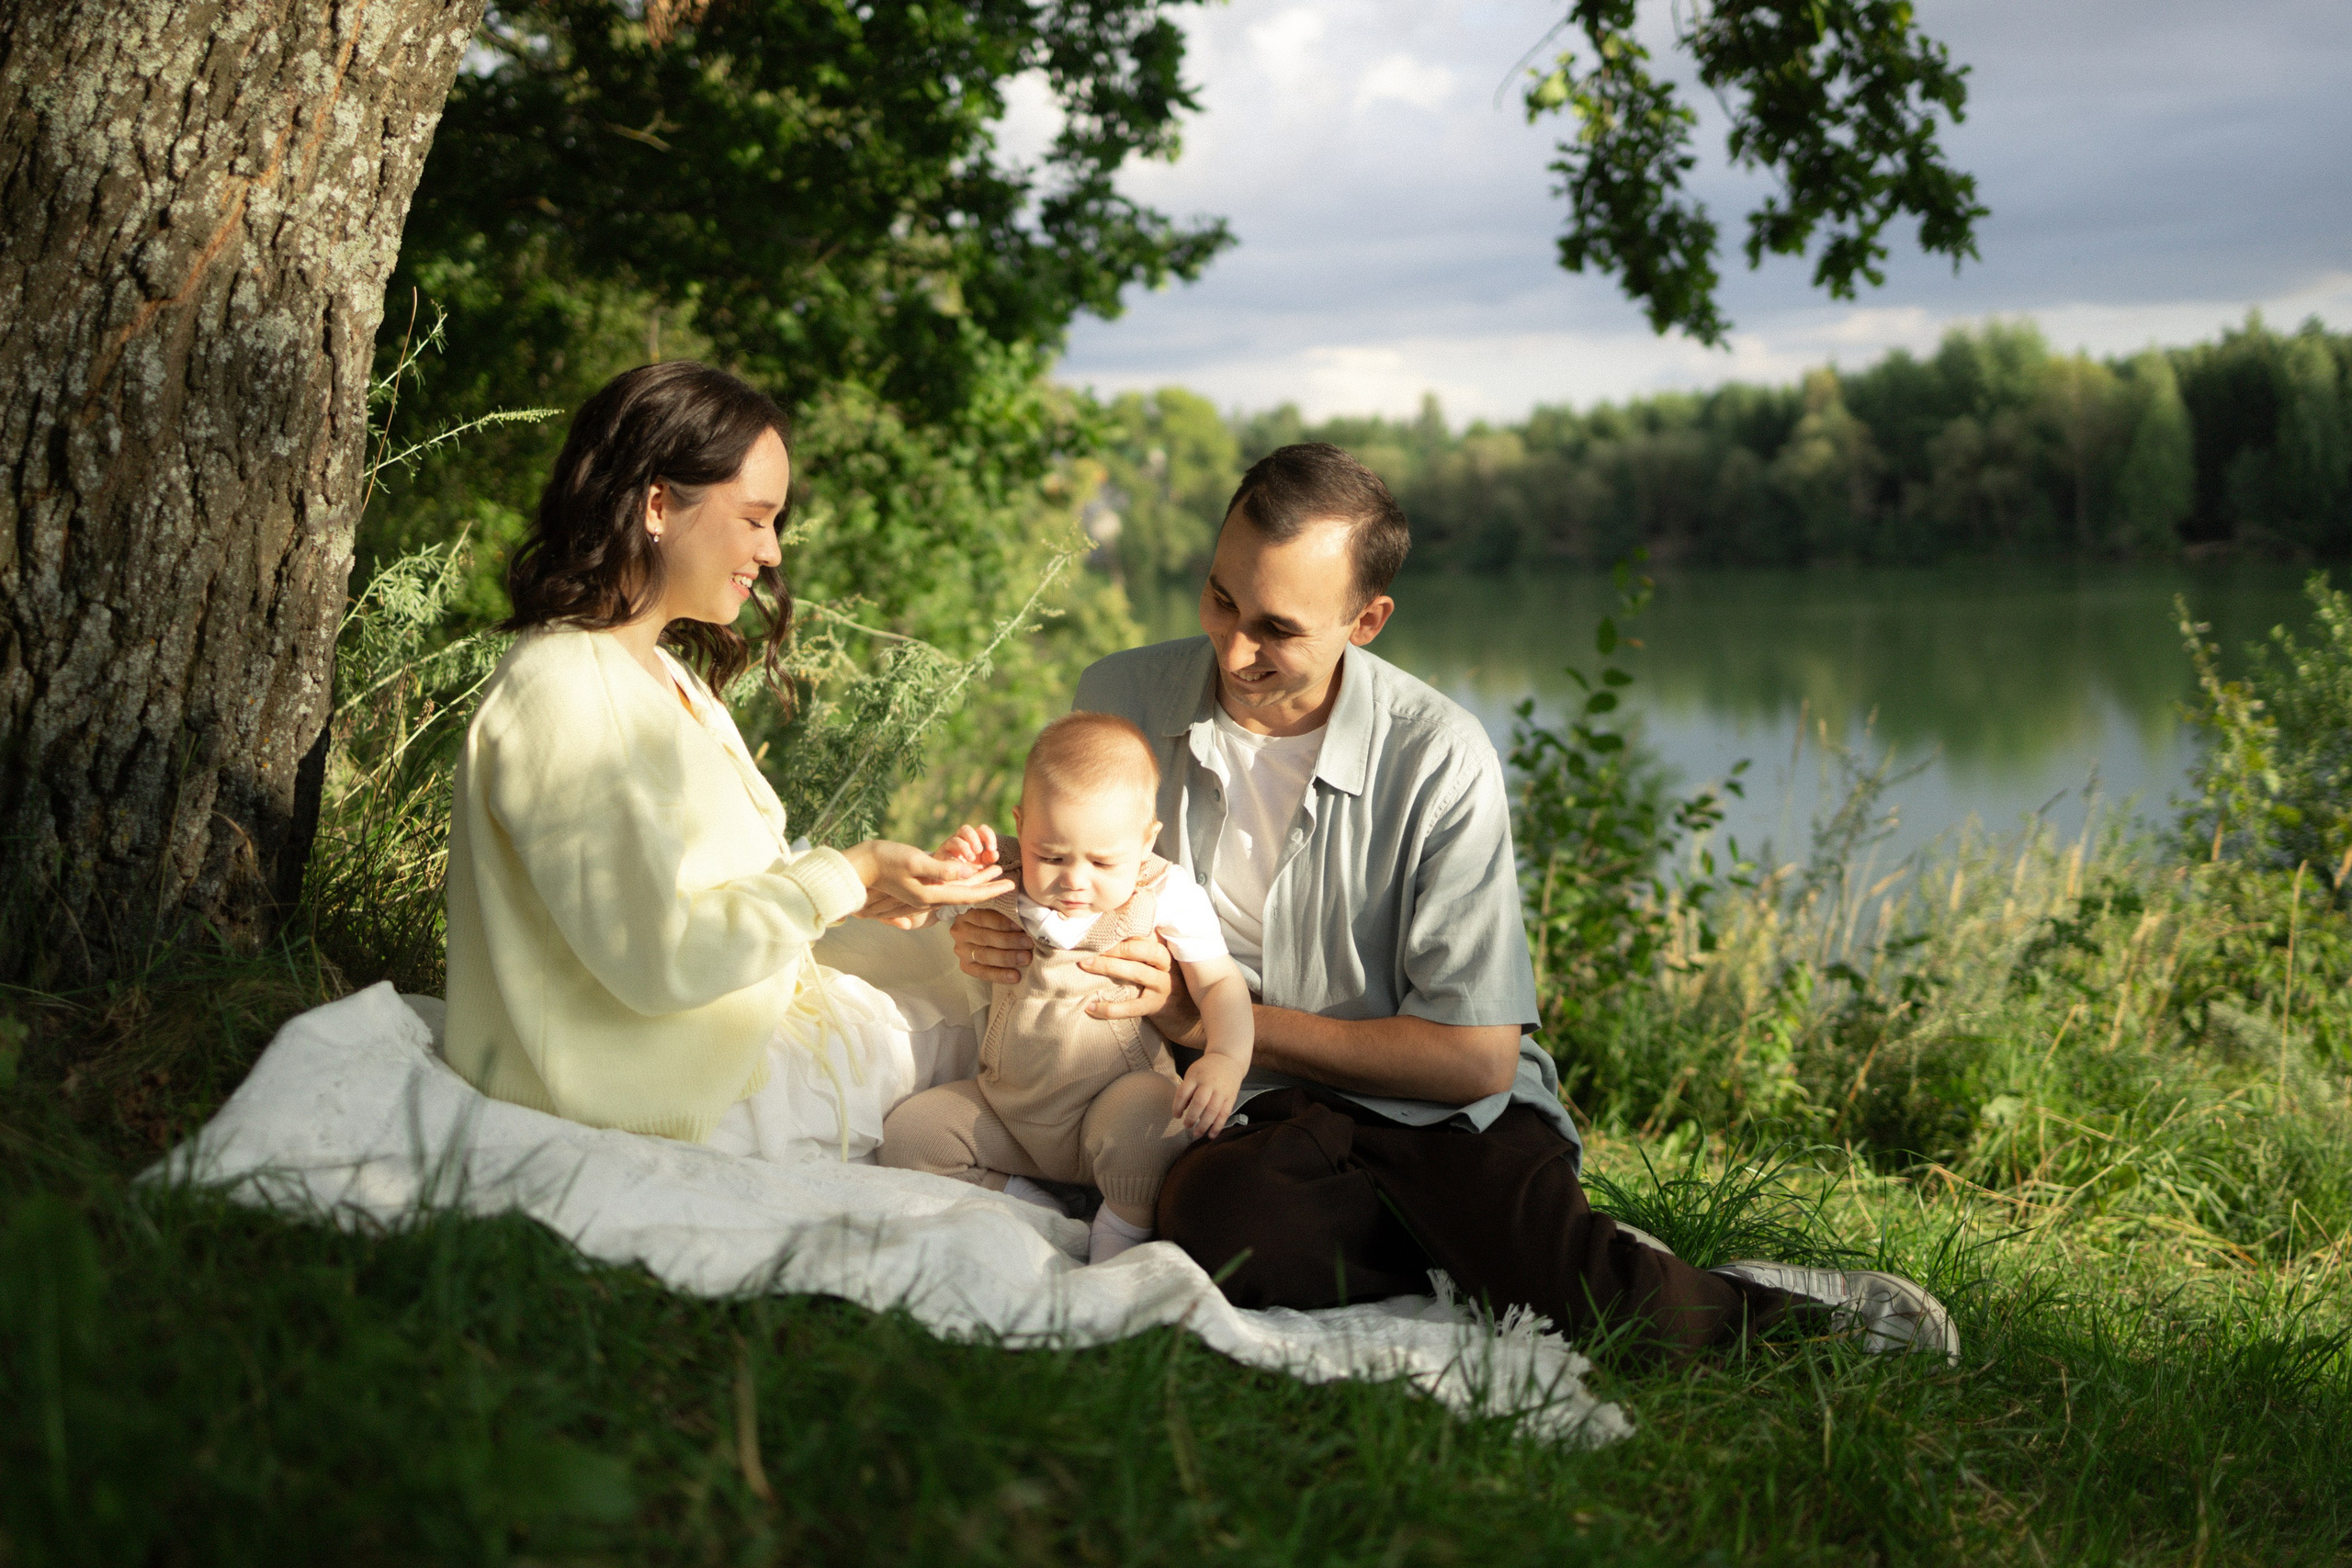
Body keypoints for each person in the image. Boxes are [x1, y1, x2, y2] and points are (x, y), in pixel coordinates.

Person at [954, 443, 1959, 1366]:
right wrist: (996, 913)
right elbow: (1062, 864)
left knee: (1613, 1317)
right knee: (1223, 1236)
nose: (1231, 650)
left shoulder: (1439, 755)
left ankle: (1775, 1309)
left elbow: (1471, 1058)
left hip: (1433, 1111)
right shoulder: (1119, 693)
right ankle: (1488, 1254)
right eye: (1220, 600)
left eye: (1277, 630)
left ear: (1366, 620)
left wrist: (1208, 1016)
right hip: (1251, 1116)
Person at [443, 361, 1012, 1160]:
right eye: (755, 518)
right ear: (654, 504)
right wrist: (844, 873)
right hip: (663, 1085)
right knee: (1014, 1011)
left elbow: (699, 886)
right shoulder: (567, 690)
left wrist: (862, 890)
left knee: (987, 955)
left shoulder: (656, 672)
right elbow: (656, 954)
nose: (773, 551)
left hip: (714, 1035)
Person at [876, 713, 1254, 1264]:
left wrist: (1225, 1055)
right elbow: (916, 906)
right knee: (910, 1135)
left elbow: (1219, 980)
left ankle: (1116, 1238)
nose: (1074, 880)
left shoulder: (1163, 891)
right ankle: (1029, 1205)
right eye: (1050, 855)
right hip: (1006, 1106)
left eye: (1103, 861)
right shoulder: (1000, 873)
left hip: (1112, 1102)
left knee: (1157, 1126)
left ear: (1146, 839)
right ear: (1022, 825)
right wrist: (947, 867)